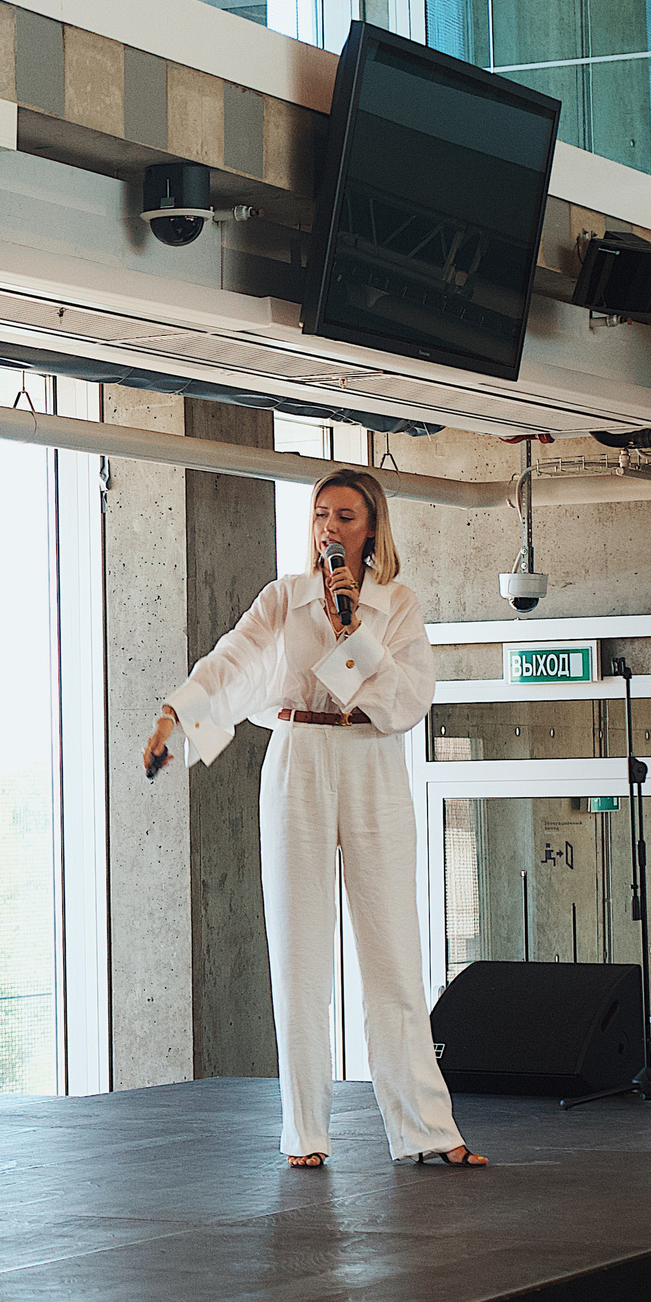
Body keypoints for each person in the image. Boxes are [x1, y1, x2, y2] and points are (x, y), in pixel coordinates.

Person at [142, 469, 486, 1171]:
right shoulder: (284, 596)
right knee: (298, 952)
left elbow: (409, 700)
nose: (330, 526)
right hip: (297, 753)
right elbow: (232, 659)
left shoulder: (396, 605)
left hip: (372, 756)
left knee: (391, 950)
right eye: (321, 513)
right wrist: (176, 714)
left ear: (371, 528)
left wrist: (352, 628)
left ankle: (425, 1129)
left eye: (346, 516)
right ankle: (305, 1132)